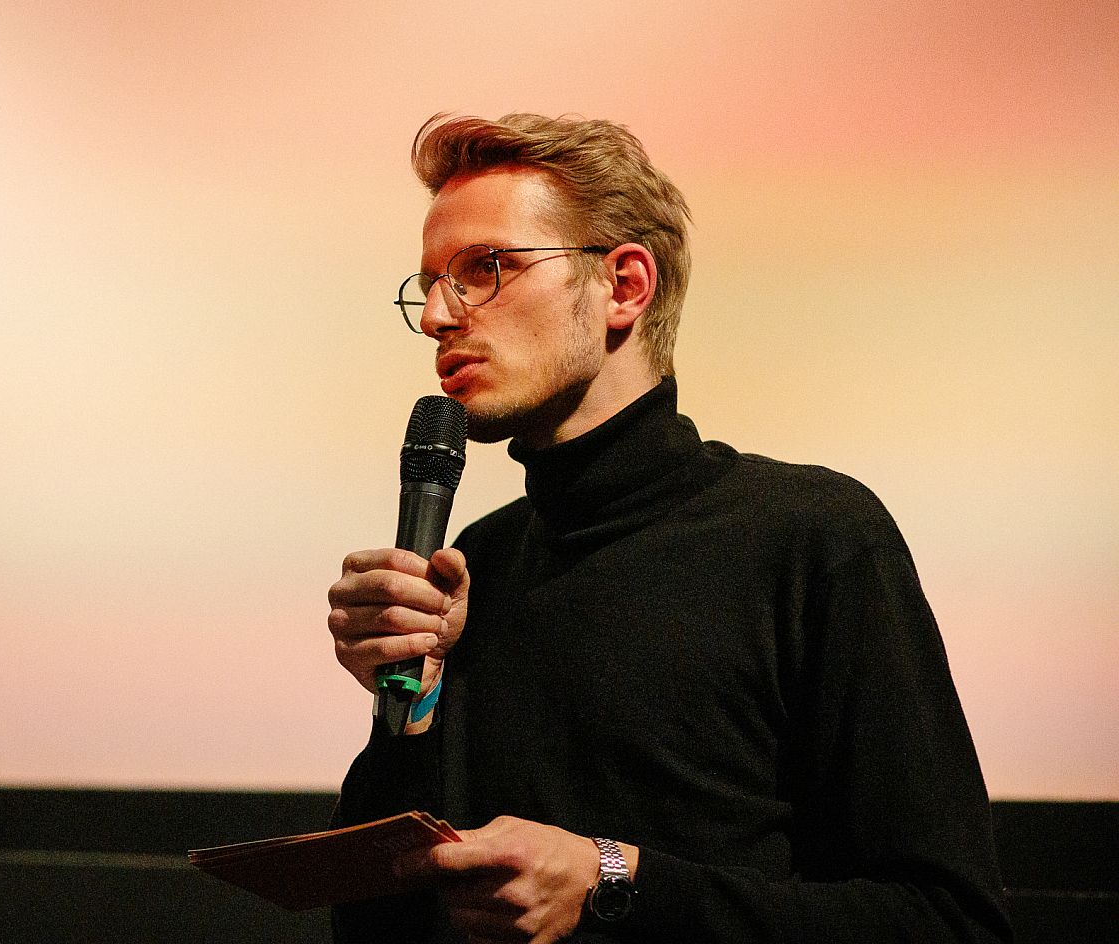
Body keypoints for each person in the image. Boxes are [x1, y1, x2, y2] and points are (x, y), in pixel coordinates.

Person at [325, 113, 1010, 944]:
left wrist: (612, 882)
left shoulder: (809, 537)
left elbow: (949, 922)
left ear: (624, 286)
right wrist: (410, 710)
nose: (439, 314)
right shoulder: (480, 564)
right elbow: (379, 929)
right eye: (431, 283)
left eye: (485, 268)